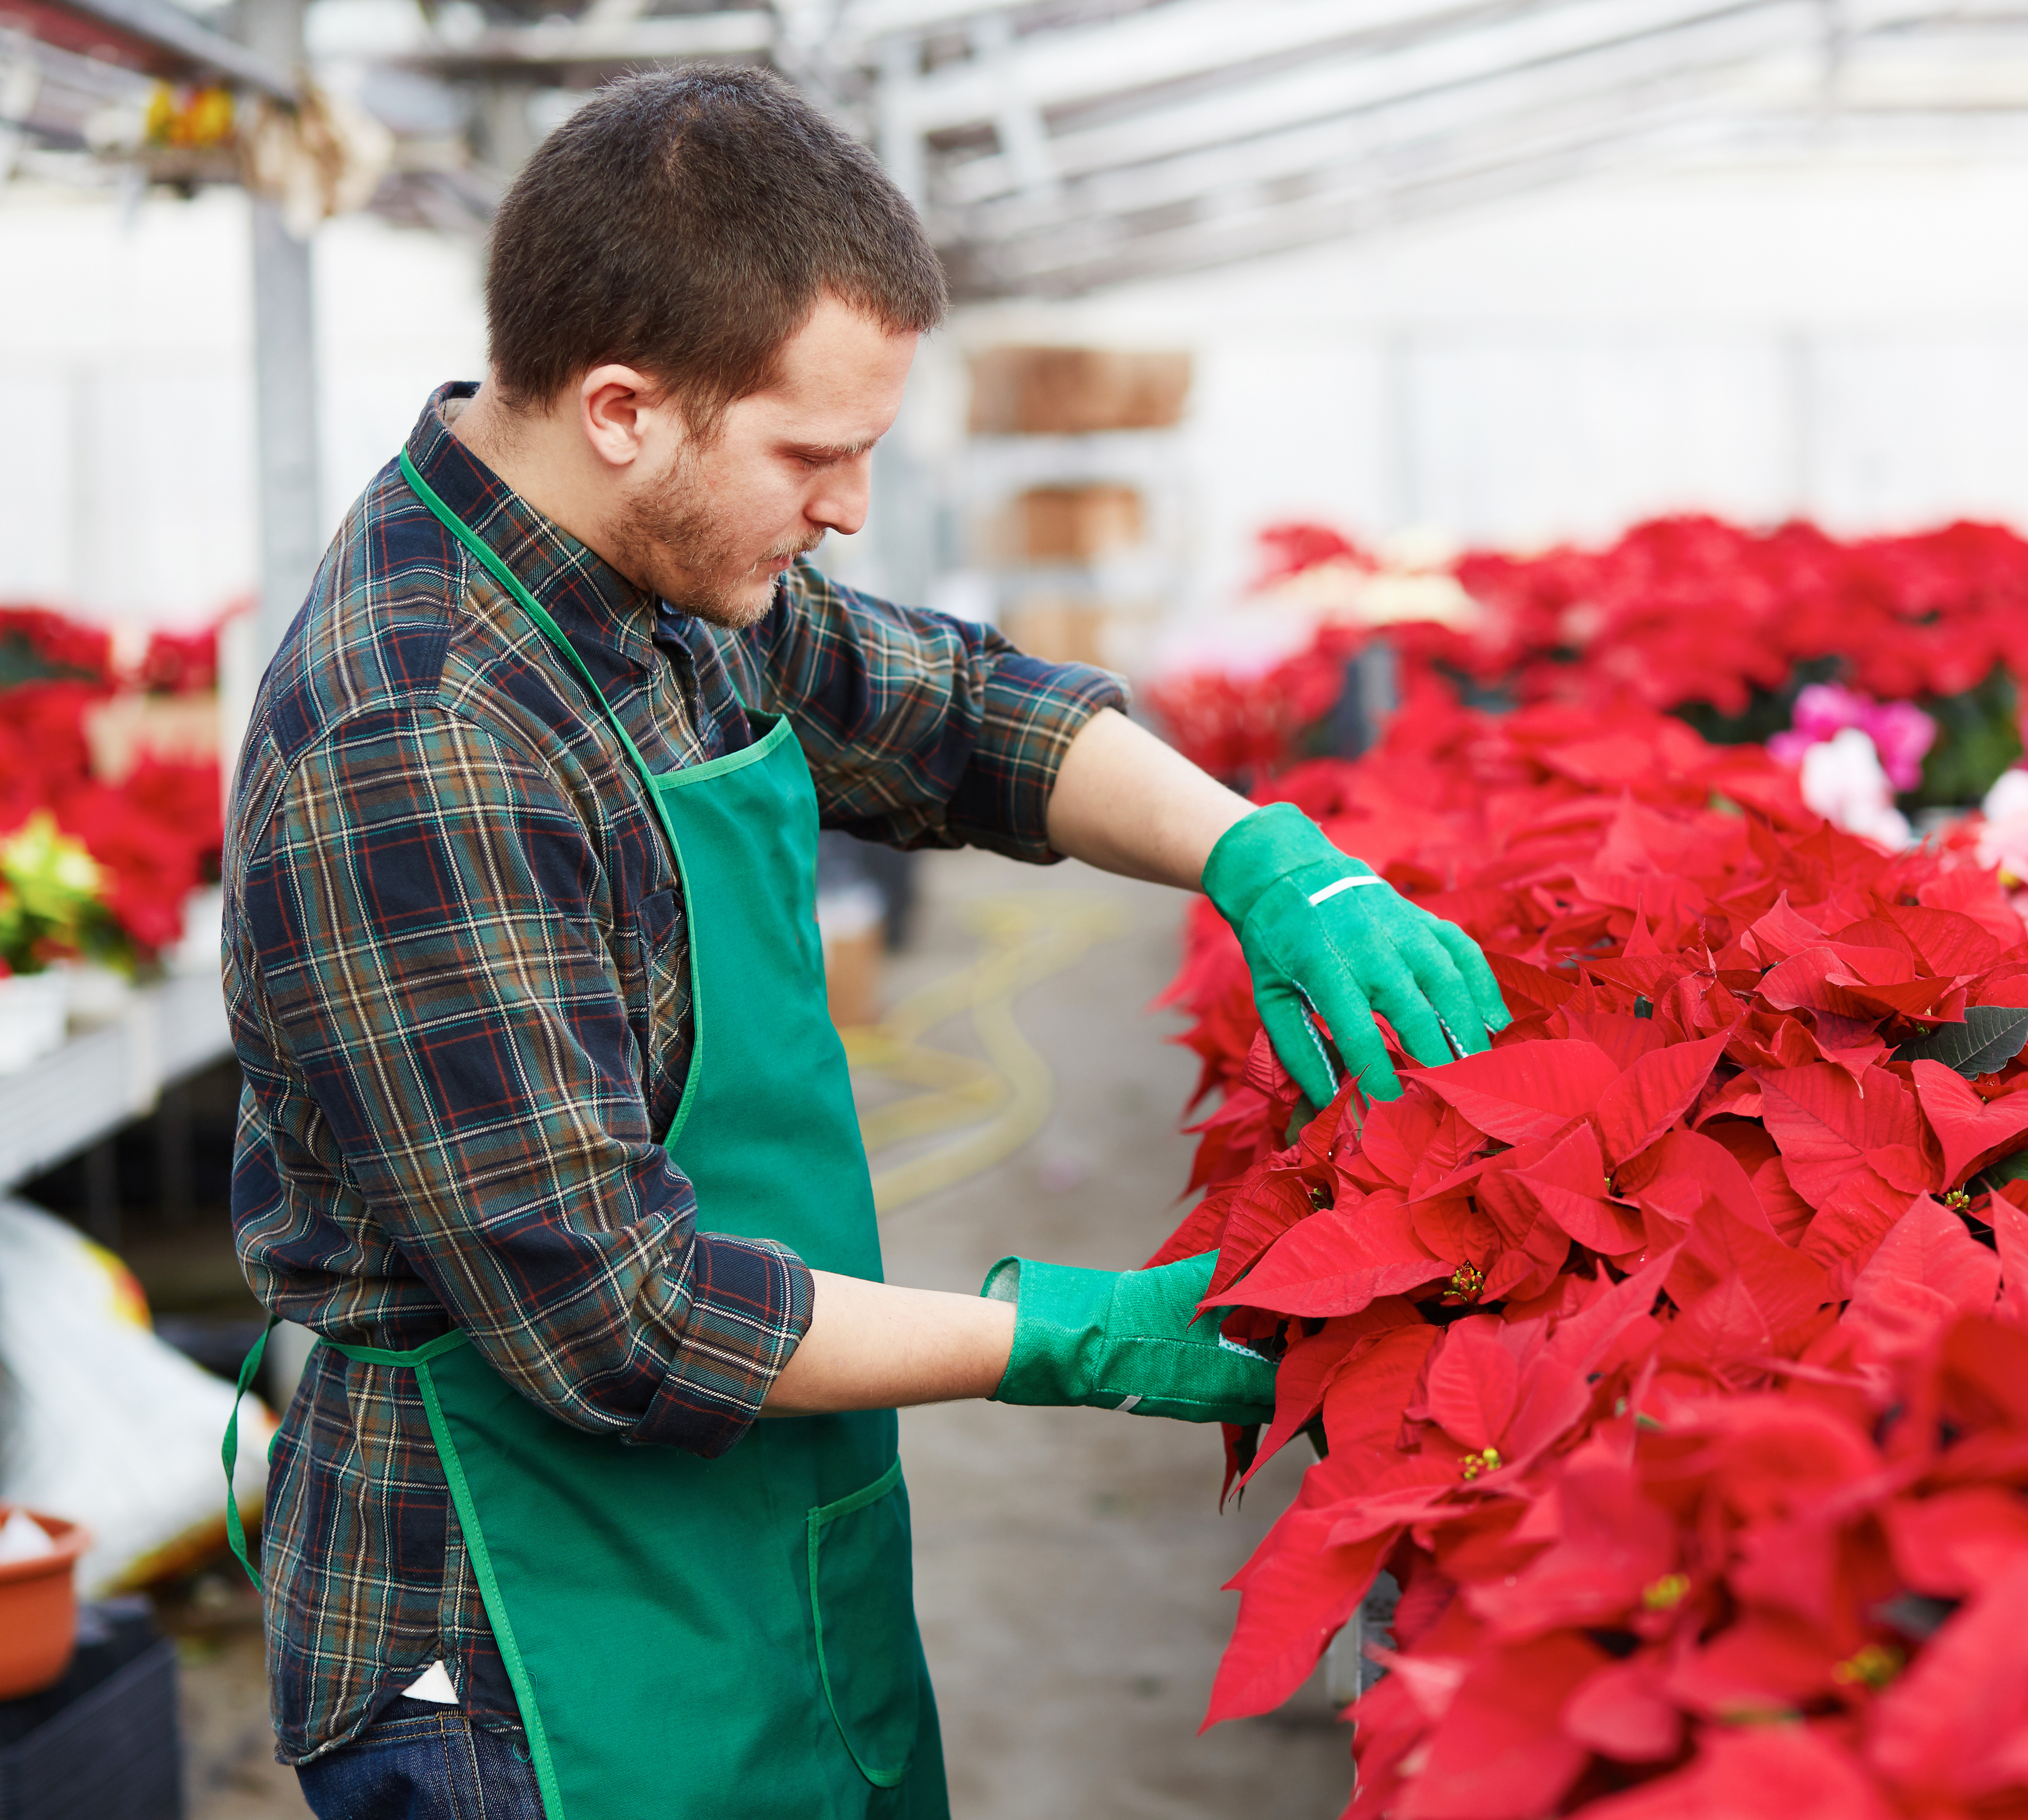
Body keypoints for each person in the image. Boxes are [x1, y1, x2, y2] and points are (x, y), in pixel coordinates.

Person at [219, 64, 1508, 1820]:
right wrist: (1073, 1335)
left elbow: (967, 712)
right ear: (621, 408)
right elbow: (625, 1318)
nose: (846, 509)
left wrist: (1266, 858)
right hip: (506, 1637)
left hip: (744, 1521)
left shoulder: (664, 576)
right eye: (813, 457)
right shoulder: (425, 739)